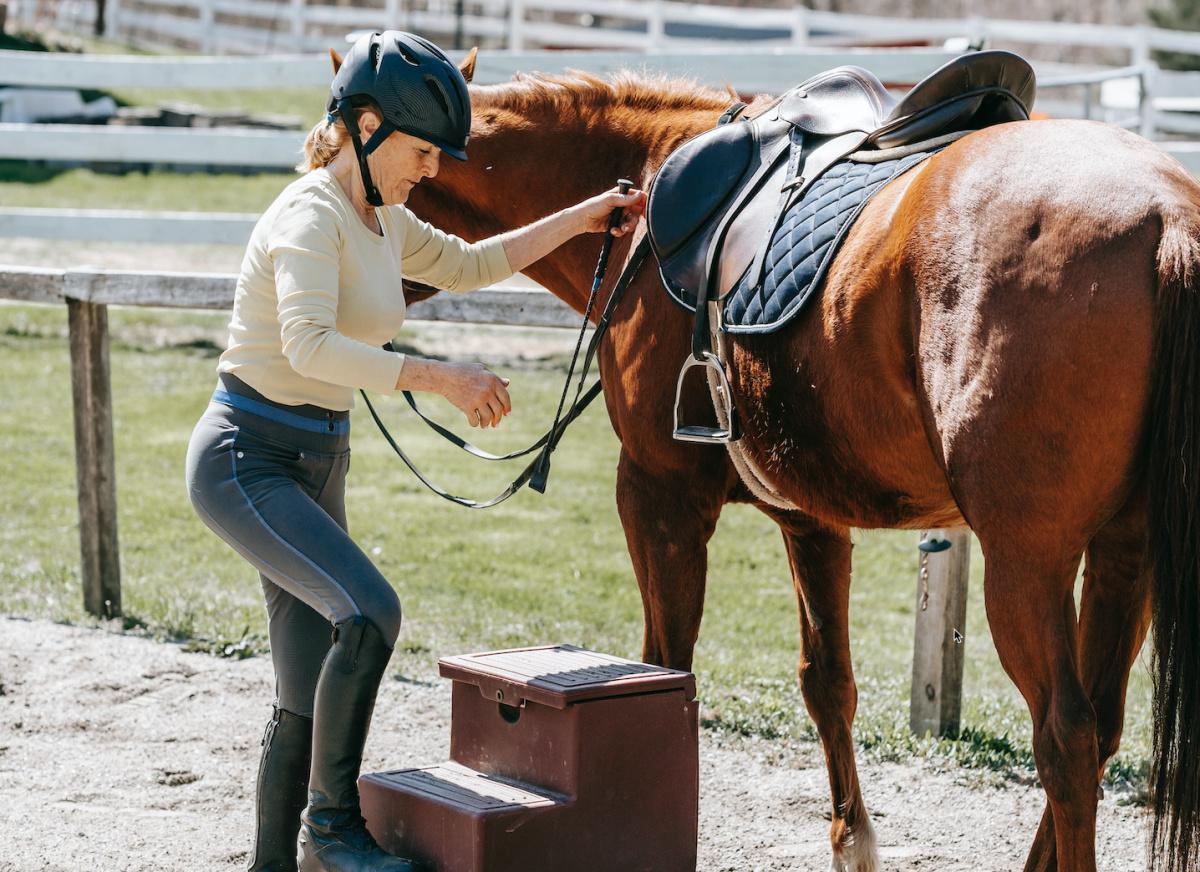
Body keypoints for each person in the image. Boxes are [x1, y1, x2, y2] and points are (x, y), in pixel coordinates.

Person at [184, 30, 645, 872]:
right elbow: (308, 348)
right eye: (422, 150)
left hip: (317, 459)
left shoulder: (383, 222)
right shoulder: (308, 216)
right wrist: (440, 377)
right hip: (247, 460)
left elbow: (475, 263)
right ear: (364, 127)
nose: (432, 170)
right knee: (368, 614)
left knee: (303, 687)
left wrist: (589, 213)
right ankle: (330, 832)